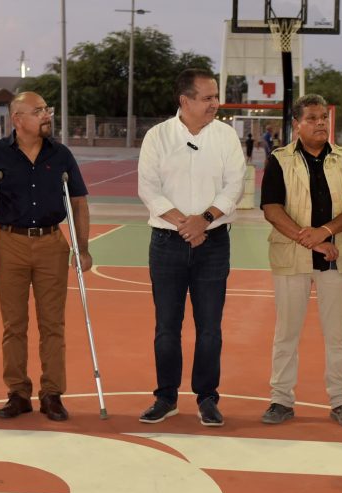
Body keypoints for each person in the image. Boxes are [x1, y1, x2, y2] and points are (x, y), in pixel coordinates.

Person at [0, 92, 91, 422]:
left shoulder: (61, 154)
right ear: (17, 119)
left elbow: (78, 202)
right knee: (14, 325)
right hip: (9, 244)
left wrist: (84, 247)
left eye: (47, 109)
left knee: (53, 324)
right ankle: (18, 392)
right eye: (38, 111)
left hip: (51, 243)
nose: (47, 115)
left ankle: (52, 393)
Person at [136, 68, 245, 427]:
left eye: (216, 96)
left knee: (210, 327)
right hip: (168, 242)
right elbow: (149, 189)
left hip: (213, 243)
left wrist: (205, 220)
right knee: (166, 327)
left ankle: (207, 398)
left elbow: (234, 187)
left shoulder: (227, 137)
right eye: (208, 97)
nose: (216, 103)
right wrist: (186, 223)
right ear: (185, 100)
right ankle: (165, 397)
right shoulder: (158, 137)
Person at [259, 93, 342, 428]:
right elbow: (272, 208)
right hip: (292, 257)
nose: (321, 123)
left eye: (324, 117)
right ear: (296, 124)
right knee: (286, 333)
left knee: (338, 335)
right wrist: (308, 239)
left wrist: (325, 231)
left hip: (337, 257)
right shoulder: (279, 160)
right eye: (312, 118)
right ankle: (280, 400)